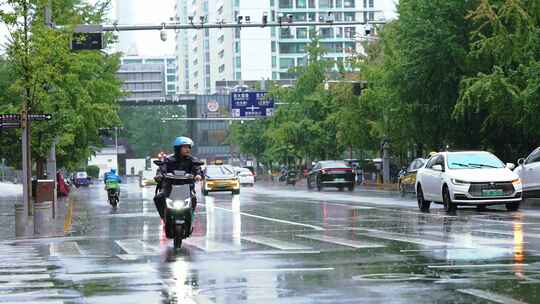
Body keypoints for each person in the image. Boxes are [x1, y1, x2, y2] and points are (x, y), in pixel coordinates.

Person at [153, 136, 203, 220]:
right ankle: (164, 217)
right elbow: (162, 168)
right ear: (177, 148)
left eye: (188, 147)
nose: (187, 149)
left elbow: (197, 168)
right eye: (184, 147)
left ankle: (191, 216)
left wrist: (198, 175)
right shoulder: (168, 160)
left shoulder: (192, 160)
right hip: (170, 188)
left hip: (186, 188)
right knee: (158, 198)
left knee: (193, 198)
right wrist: (159, 176)